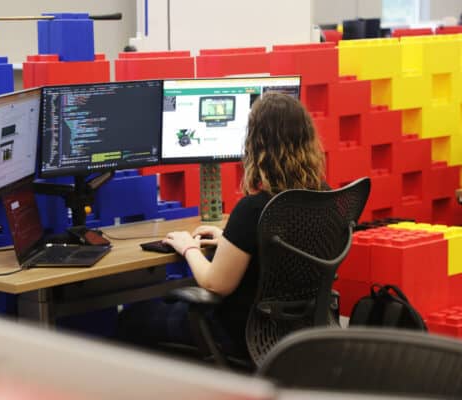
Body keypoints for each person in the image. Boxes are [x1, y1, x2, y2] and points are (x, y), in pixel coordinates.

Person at [117, 92, 326, 358]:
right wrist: (230, 240)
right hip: (299, 332)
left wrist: (188, 248)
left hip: (241, 333)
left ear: (256, 145)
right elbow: (281, 246)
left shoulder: (253, 208)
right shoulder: (322, 196)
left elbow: (216, 284)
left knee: (132, 319)